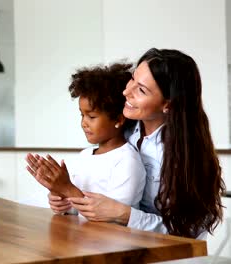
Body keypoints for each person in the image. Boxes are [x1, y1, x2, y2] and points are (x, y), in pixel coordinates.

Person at [42, 48, 225, 239]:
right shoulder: (121, 131)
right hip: (117, 241)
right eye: (132, 80)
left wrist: (125, 215)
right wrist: (66, 200)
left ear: (168, 105)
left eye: (141, 90)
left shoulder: (187, 155)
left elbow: (190, 229)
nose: (126, 92)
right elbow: (99, 197)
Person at [26, 63, 146, 214]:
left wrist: (67, 188)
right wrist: (59, 197)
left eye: (91, 116)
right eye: (82, 115)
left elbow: (112, 217)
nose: (84, 123)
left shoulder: (127, 161)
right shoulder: (85, 156)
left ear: (118, 119)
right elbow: (76, 208)